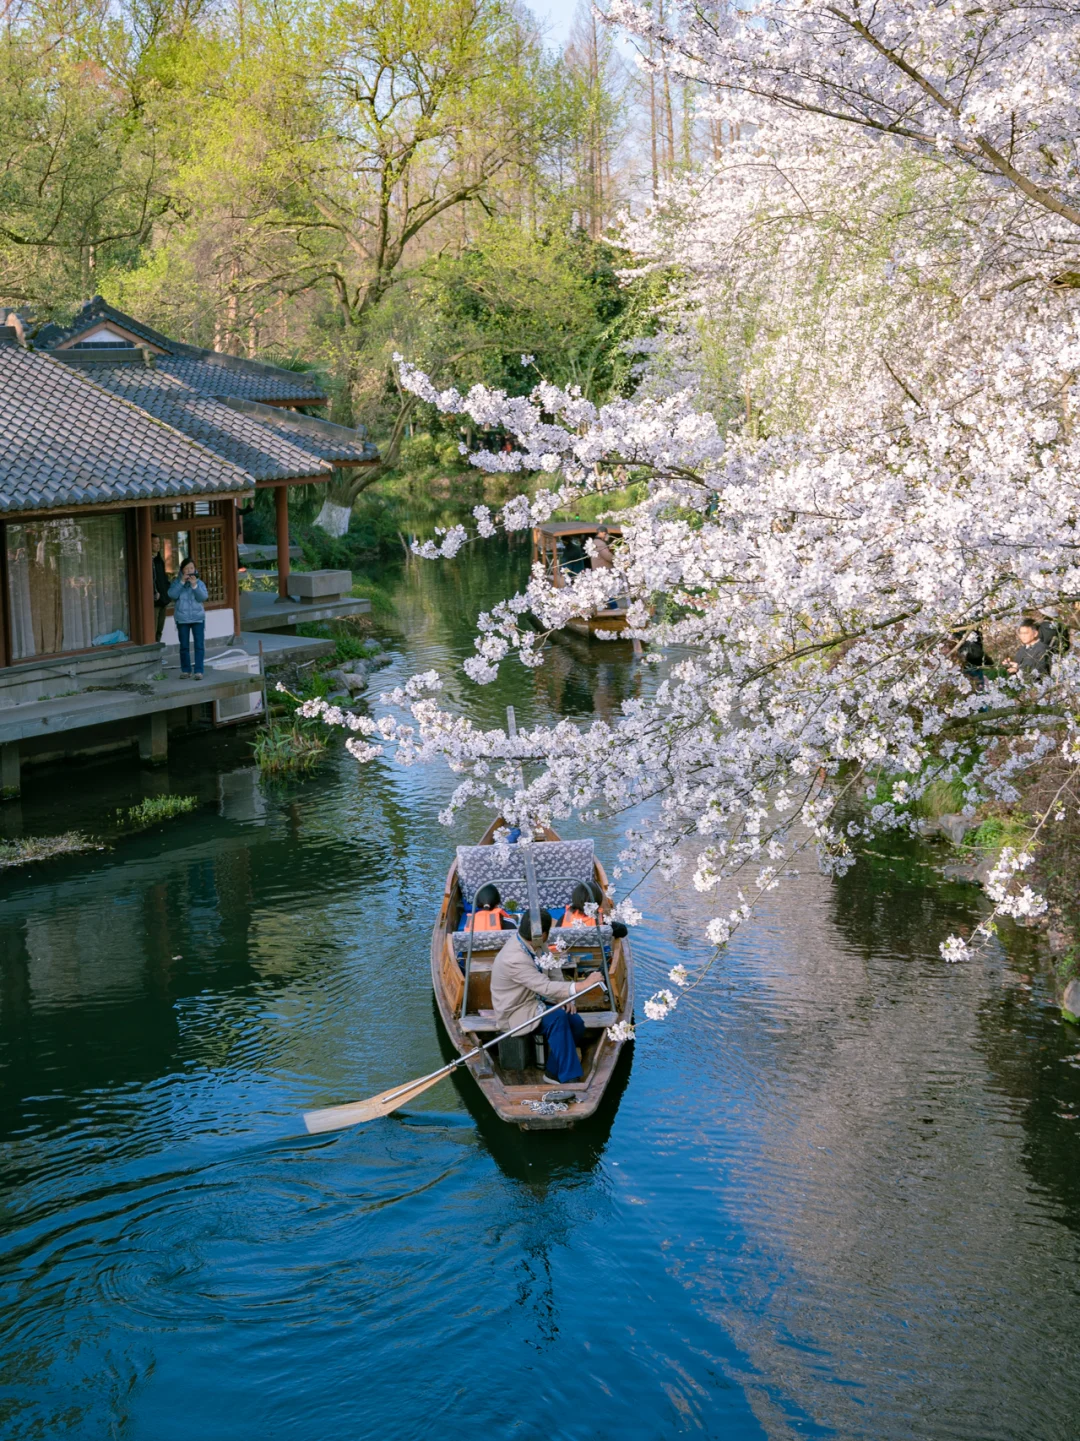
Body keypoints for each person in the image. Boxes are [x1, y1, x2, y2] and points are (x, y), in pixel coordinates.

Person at [490, 907, 604, 1085]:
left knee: (576, 1022)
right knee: (558, 1017)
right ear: (541, 933)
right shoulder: (514, 958)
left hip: (535, 1001)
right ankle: (570, 1078)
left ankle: (552, 1072)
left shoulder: (537, 943)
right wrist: (583, 985)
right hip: (516, 1011)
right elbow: (544, 987)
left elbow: (553, 969)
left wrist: (564, 999)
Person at [168, 557, 209, 679]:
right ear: (182, 571)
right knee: (184, 646)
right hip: (182, 618)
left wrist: (194, 585)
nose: (189, 570)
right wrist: (181, 582)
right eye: (187, 569)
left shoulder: (199, 583)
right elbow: (172, 595)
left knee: (199, 645)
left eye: (191, 568)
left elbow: (203, 597)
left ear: (195, 569)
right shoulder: (177, 582)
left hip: (197, 618)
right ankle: (186, 670)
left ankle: (198, 671)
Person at [151, 535, 170, 642]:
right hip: (155, 600)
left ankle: (158, 653)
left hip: (163, 598)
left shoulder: (159, 559)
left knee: (160, 629)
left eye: (159, 543)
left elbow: (163, 577)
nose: (158, 546)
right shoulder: (149, 560)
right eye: (155, 543)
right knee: (153, 629)